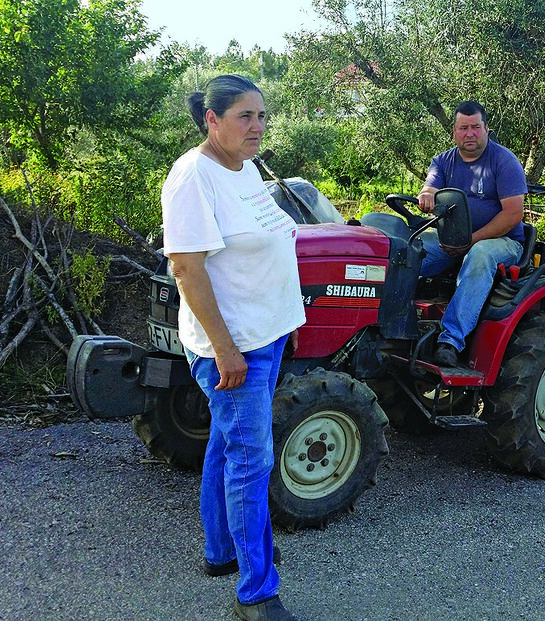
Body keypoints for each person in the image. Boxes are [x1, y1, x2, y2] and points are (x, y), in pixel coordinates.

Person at [161, 74, 306, 621]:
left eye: (262, 115)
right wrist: (225, 350)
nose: (257, 126)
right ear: (212, 120)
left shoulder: (244, 170)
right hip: (234, 346)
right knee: (252, 459)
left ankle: (222, 552)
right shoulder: (192, 177)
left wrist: (284, 317)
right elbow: (186, 268)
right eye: (245, 116)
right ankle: (257, 595)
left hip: (264, 334)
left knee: (227, 447)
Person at [417, 100, 528, 367]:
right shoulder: (443, 161)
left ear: (486, 129)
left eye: (475, 127)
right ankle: (394, 323)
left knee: (479, 255)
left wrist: (471, 241)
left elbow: (513, 213)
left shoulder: (503, 161)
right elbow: (430, 186)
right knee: (406, 250)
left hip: (502, 242)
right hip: (452, 240)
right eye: (463, 128)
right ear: (454, 132)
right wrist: (426, 196)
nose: (470, 134)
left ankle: (450, 341)